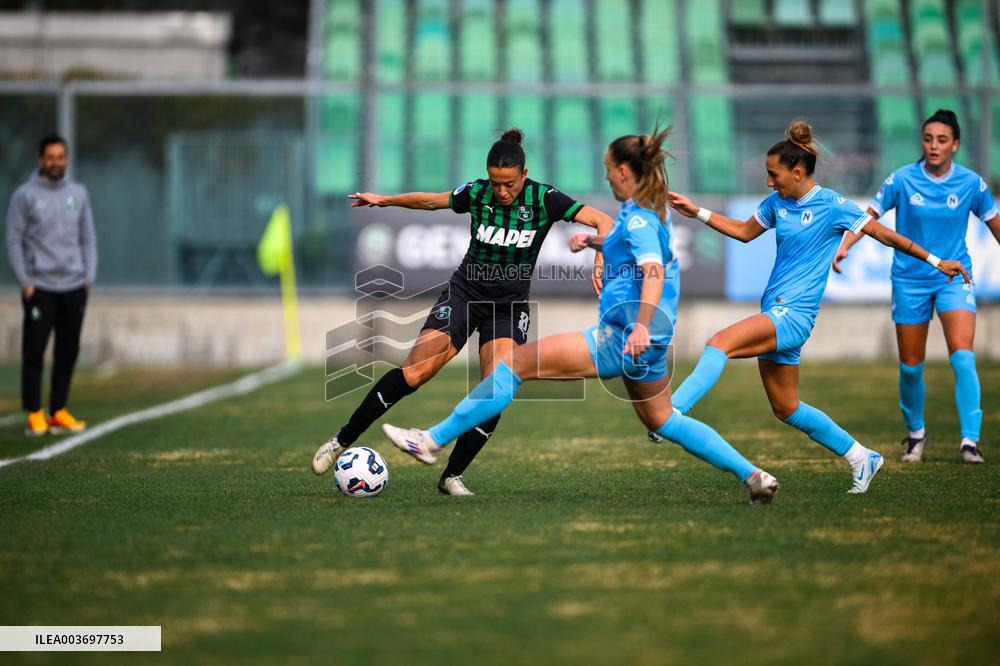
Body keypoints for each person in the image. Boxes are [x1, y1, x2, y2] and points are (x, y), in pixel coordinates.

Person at [382, 126, 781, 505]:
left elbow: (653, 271)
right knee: (663, 420)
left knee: (514, 364)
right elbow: (635, 243)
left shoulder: (640, 216)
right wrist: (594, 240)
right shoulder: (648, 208)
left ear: (624, 171)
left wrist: (639, 325)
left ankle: (430, 441)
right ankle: (754, 476)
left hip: (625, 335)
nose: (606, 177)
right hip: (652, 341)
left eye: (608, 170)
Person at [665, 120, 970, 493]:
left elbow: (886, 235)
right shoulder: (778, 202)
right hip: (776, 309)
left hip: (792, 316)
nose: (768, 182)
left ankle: (672, 410)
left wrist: (937, 262)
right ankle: (861, 456)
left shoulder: (832, 205)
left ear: (797, 172)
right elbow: (744, 233)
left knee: (719, 343)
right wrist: (697, 212)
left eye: (773, 174)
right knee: (786, 408)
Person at [313, 129, 613, 495]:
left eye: (509, 184)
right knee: (415, 372)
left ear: (524, 173)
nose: (501, 192)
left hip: (508, 306)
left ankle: (451, 476)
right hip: (464, 293)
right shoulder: (476, 193)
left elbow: (604, 222)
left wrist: (599, 258)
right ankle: (342, 440)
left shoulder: (544, 198)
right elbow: (430, 202)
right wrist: (384, 201)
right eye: (495, 183)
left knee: (496, 389)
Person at [833, 109, 999, 464]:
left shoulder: (972, 184)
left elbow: (994, 225)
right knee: (911, 366)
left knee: (963, 357)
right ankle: (916, 435)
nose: (934, 146)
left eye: (942, 140)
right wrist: (845, 245)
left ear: (955, 144)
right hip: (909, 280)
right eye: (928, 139)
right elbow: (869, 218)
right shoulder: (901, 181)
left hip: (954, 278)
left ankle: (970, 441)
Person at [5, 133, 96, 437]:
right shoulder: (25, 195)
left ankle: (58, 410)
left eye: (61, 156)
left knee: (67, 351)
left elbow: (87, 238)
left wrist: (88, 277)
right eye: (50, 157)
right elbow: (14, 239)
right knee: (34, 352)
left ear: (66, 159)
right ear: (40, 160)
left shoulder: (78, 193)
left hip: (73, 285)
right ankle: (34, 412)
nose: (56, 162)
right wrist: (25, 281)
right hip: (40, 287)